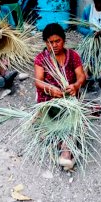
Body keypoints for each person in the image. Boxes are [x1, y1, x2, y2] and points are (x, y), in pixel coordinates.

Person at [34, 23, 86, 169]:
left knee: (72, 118)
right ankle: (66, 151)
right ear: (46, 42)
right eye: (50, 42)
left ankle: (65, 151)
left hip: (69, 98)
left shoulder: (73, 56)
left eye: (58, 41)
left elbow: (81, 76)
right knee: (56, 120)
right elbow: (38, 82)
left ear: (64, 40)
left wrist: (76, 85)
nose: (54, 45)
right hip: (49, 100)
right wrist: (50, 89)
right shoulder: (40, 58)